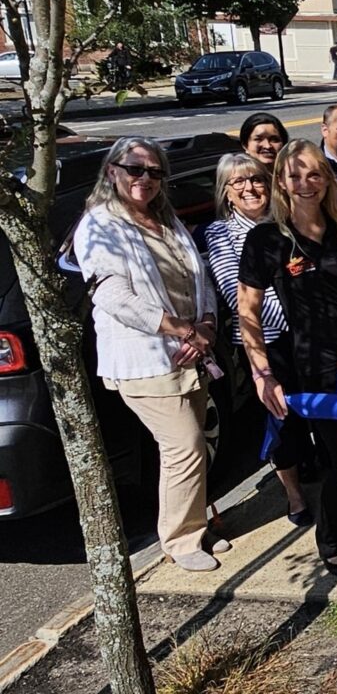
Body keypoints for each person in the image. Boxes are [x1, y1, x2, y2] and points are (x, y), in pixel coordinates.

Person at [75, 137, 224, 571]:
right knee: (185, 446)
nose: (146, 179)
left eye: (155, 172)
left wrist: (207, 325)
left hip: (190, 351)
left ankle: (197, 527)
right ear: (112, 171)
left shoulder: (166, 220)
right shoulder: (101, 224)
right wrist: (179, 329)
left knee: (189, 446)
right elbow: (113, 295)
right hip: (146, 358)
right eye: (135, 169)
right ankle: (179, 541)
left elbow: (200, 279)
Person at [239, 139, 337, 578]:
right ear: (280, 181)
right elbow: (247, 313)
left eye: (315, 173)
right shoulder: (267, 239)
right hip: (313, 364)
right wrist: (262, 373)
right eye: (295, 175)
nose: (306, 183)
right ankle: (333, 540)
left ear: (327, 177)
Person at [206, 153, 312, 528]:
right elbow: (240, 297)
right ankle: (295, 496)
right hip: (265, 341)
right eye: (239, 183)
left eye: (256, 180)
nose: (250, 188)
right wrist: (296, 307)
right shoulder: (219, 234)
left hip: (306, 338)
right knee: (281, 419)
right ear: (226, 193)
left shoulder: (286, 223)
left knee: (313, 413)